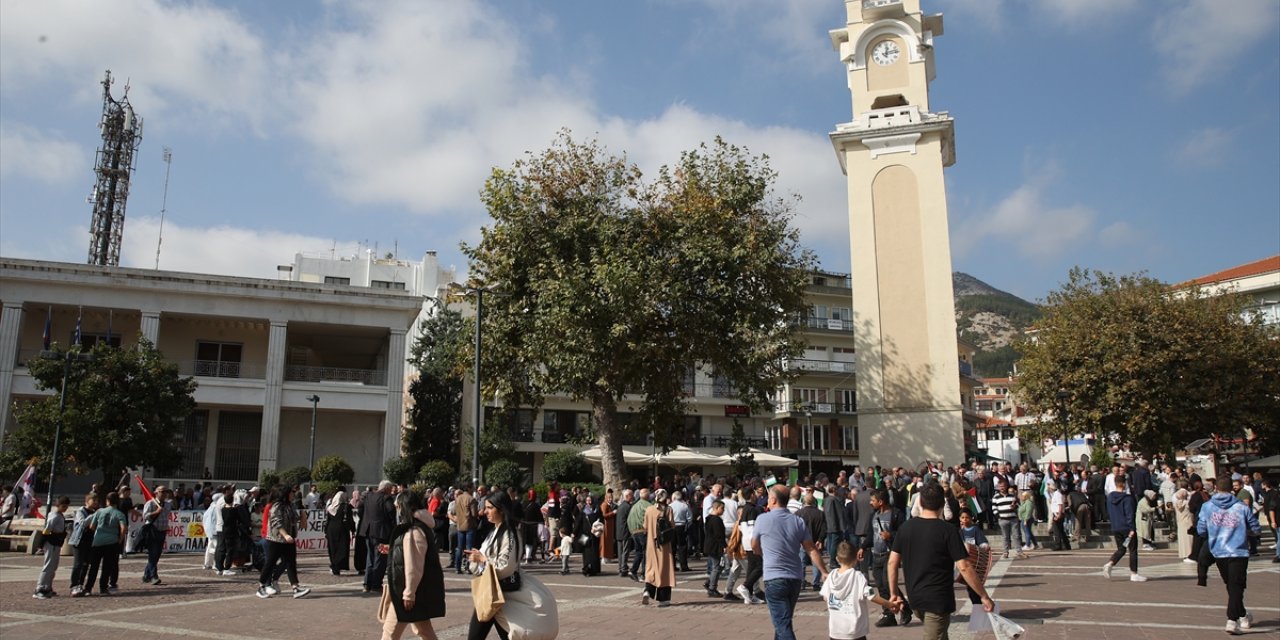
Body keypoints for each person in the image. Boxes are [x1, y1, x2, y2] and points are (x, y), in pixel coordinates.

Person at [887, 482, 995, 639]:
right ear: (943, 503)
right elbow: (964, 566)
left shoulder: (906, 528)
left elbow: (892, 563)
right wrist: (984, 596)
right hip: (937, 600)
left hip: (915, 597)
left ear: (921, 502)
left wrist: (893, 593)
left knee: (940, 634)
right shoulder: (948, 530)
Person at [466, 490, 558, 640]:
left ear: (501, 510)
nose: (486, 512)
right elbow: (480, 562)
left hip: (503, 593)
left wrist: (483, 560)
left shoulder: (509, 535)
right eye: (486, 508)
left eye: (490, 508)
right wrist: (476, 559)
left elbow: (505, 567)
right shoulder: (494, 532)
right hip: (491, 592)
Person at [754, 485, 830, 640]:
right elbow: (811, 549)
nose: (767, 500)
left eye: (769, 498)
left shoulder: (762, 519)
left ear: (773, 500)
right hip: (794, 578)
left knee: (782, 624)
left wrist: (765, 553)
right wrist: (823, 571)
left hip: (774, 578)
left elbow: (754, 546)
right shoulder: (797, 521)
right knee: (783, 621)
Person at [1198, 477, 1261, 635]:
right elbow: (1256, 527)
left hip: (1218, 550)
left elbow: (1201, 530)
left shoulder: (1207, 507)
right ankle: (1232, 619)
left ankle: (1242, 615)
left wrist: (1214, 532)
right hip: (1238, 551)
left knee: (1232, 586)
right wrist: (1245, 532)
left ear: (1216, 489)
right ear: (1232, 489)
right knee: (1235, 586)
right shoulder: (1241, 507)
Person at [379, 489, 444, 640]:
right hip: (414, 590)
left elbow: (414, 564)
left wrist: (409, 593)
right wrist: (393, 549)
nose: (396, 510)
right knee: (423, 631)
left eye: (398, 507)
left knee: (390, 633)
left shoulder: (414, 530)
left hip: (407, 590)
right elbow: (411, 555)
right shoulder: (418, 526)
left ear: (404, 506)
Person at [822, 541, 898, 640]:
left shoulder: (831, 576)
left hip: (836, 631)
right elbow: (871, 596)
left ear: (837, 559)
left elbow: (825, 597)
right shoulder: (858, 576)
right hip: (855, 631)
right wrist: (889, 604)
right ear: (855, 560)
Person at [862, 488, 912, 628]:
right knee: (881, 586)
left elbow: (904, 535)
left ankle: (905, 608)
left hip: (890, 554)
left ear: (881, 501)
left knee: (888, 583)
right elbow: (871, 535)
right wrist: (863, 547)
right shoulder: (874, 515)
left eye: (873, 501)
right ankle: (888, 615)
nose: (871, 503)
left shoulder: (896, 514)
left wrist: (891, 535)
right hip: (876, 554)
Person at [256, 485, 312, 599]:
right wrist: (285, 534)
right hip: (276, 539)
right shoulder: (277, 505)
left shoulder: (290, 505)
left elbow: (293, 519)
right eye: (292, 492)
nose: (293, 494)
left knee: (291, 563)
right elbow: (277, 522)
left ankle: (295, 587)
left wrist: (302, 517)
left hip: (288, 539)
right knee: (270, 562)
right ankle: (261, 586)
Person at [1102, 475, 1147, 582]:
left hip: (1116, 526)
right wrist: (1132, 528)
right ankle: (1134, 573)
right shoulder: (1127, 498)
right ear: (1124, 484)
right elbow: (1130, 514)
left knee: (1121, 549)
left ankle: (1110, 563)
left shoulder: (1110, 498)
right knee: (1132, 550)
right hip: (1127, 527)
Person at [84, 491, 128, 596]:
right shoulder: (119, 513)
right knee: (106, 567)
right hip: (111, 542)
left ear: (107, 501)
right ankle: (103, 588)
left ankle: (88, 588)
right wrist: (120, 539)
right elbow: (123, 528)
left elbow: (92, 526)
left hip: (98, 541)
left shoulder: (99, 511)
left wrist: (99, 532)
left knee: (94, 566)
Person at [641, 488, 677, 607]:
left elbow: (645, 527)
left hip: (651, 544)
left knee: (651, 568)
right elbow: (672, 525)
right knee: (664, 570)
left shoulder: (649, 509)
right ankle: (663, 599)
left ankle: (648, 590)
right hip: (664, 544)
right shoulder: (668, 509)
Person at [33, 495, 71, 598]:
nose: (65, 508)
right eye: (63, 506)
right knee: (48, 565)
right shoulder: (54, 516)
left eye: (66, 506)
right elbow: (46, 530)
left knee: (53, 566)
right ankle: (39, 588)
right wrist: (42, 544)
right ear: (58, 505)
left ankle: (47, 587)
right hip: (52, 542)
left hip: (56, 543)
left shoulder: (59, 515)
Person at [361, 481, 396, 592]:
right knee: (381, 559)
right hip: (382, 533)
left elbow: (360, 509)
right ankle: (376, 584)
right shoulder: (386, 498)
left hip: (368, 531)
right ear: (386, 489)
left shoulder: (369, 496)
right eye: (390, 489)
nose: (391, 492)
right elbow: (391, 511)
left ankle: (367, 583)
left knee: (370, 558)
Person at [67, 493, 99, 597]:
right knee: (78, 564)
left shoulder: (94, 512)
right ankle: (74, 585)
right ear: (87, 501)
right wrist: (94, 516)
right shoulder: (81, 511)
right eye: (93, 500)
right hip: (79, 541)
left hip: (90, 541)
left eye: (96, 500)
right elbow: (83, 523)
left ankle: (80, 584)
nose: (95, 502)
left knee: (85, 564)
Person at [139, 486, 171, 584]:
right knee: (153, 553)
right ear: (156, 493)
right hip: (153, 530)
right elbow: (145, 516)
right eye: (162, 491)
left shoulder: (168, 504)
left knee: (157, 554)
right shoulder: (150, 503)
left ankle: (146, 575)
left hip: (162, 530)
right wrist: (156, 512)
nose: (164, 493)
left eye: (165, 492)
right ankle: (153, 576)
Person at [325, 486, 356, 575]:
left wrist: (325, 531)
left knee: (333, 548)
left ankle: (334, 565)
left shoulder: (331, 507)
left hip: (331, 529)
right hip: (342, 530)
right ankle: (337, 565)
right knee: (342, 548)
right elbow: (350, 519)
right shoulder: (346, 506)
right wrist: (353, 530)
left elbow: (327, 520)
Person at [627, 488, 652, 582]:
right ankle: (644, 573)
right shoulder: (648, 505)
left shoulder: (634, 506)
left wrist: (632, 531)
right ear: (648, 496)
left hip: (634, 532)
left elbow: (629, 520)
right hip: (643, 531)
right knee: (646, 553)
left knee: (639, 552)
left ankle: (633, 570)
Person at [450, 487, 476, 575]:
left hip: (460, 526)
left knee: (459, 548)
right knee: (469, 548)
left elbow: (453, 511)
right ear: (470, 489)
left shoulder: (457, 499)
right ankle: (468, 567)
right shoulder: (471, 499)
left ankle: (457, 567)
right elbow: (474, 514)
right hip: (469, 526)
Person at [703, 500, 727, 597]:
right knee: (717, 566)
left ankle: (709, 582)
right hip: (715, 546)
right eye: (722, 508)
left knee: (718, 566)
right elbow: (719, 535)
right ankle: (712, 588)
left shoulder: (709, 518)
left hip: (711, 545)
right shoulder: (716, 520)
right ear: (716, 508)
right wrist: (724, 546)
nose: (723, 510)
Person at [615, 489, 633, 577]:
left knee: (620, 551)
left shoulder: (620, 506)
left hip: (619, 532)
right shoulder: (627, 507)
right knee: (625, 551)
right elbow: (630, 520)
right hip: (625, 531)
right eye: (631, 495)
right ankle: (623, 569)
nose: (632, 497)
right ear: (627, 496)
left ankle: (621, 567)